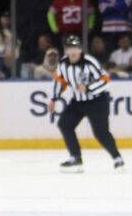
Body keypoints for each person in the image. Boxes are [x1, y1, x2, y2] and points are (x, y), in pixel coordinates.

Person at [48, 35, 124, 173]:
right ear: (65, 50)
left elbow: (105, 79)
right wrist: (53, 98)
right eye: (70, 48)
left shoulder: (90, 62)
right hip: (78, 102)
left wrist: (88, 88)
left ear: (80, 49)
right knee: (64, 124)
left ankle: (117, 158)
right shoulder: (63, 64)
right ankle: (75, 157)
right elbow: (59, 81)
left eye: (75, 48)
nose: (73, 51)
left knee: (101, 132)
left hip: (97, 101)